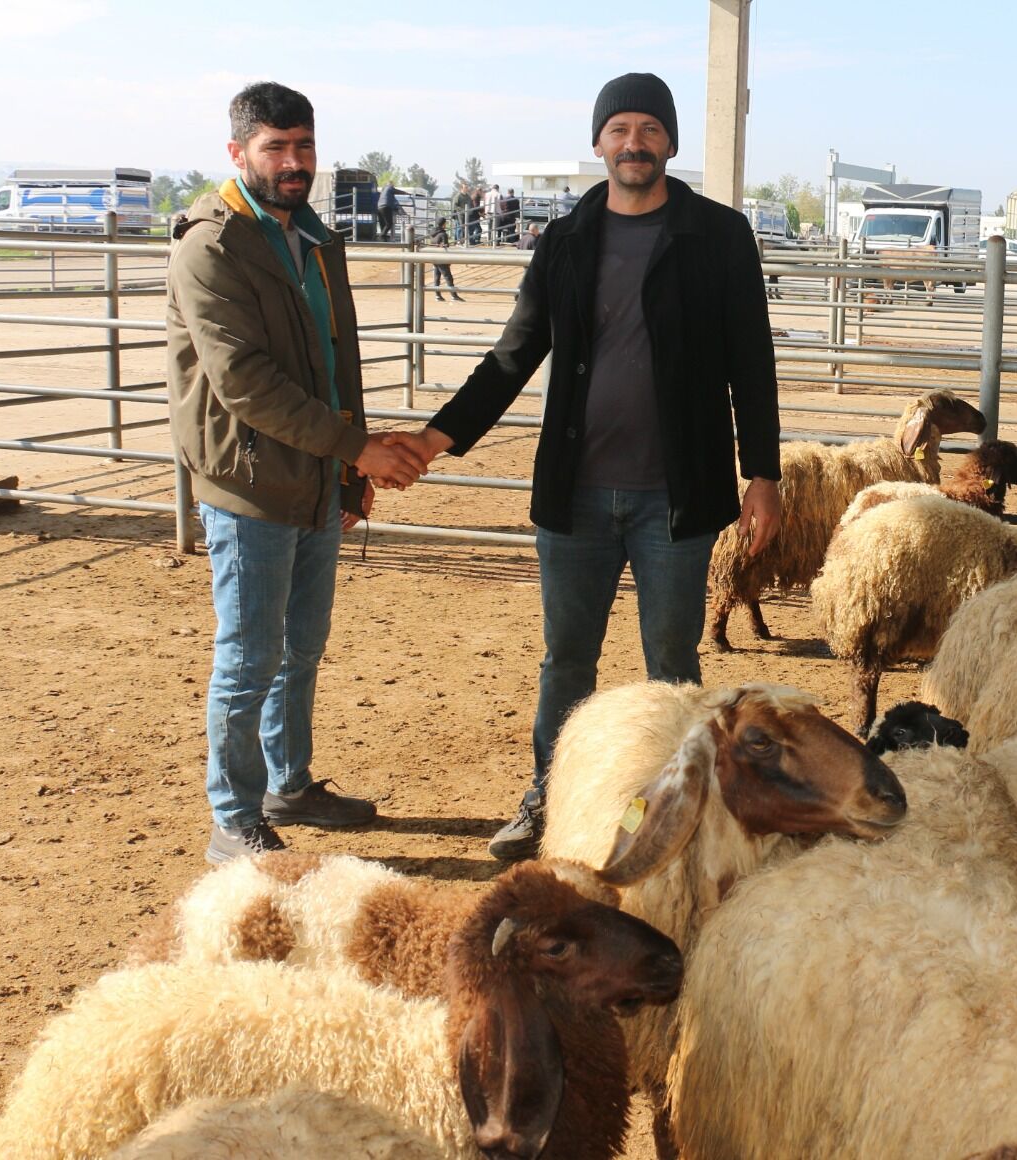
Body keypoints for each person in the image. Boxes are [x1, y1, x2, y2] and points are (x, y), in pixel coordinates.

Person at [385, 72, 781, 861]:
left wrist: (762, 472)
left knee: (672, 662)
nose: (634, 143)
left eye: (649, 129)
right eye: (619, 129)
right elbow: (513, 355)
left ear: (670, 141)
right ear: (598, 142)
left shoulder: (718, 235)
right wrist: (434, 440)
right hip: (577, 498)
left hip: (678, 496)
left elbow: (751, 360)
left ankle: (685, 807)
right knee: (567, 659)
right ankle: (548, 798)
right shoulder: (565, 241)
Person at [166, 81, 430, 864]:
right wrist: (357, 449)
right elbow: (243, 382)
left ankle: (290, 783)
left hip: (313, 475)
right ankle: (232, 816)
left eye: (303, 146)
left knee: (302, 644)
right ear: (238, 152)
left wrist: (348, 474)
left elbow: (335, 361)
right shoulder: (210, 246)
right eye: (275, 147)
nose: (293, 161)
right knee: (250, 653)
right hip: (250, 482)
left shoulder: (312, 236)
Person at [429, 216, 465, 302]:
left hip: (434, 257)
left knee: (437, 276)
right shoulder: (443, 234)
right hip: (442, 258)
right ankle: (454, 295)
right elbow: (446, 247)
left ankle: (437, 295)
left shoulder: (432, 233)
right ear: (444, 224)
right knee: (448, 277)